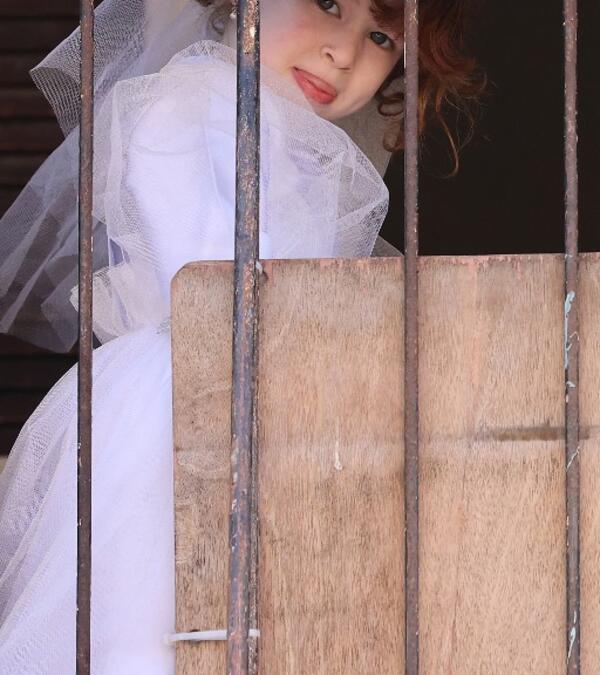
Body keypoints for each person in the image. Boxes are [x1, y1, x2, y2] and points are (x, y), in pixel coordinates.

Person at [0, 0, 480, 671]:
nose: (345, 54)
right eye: (329, 5)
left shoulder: (295, 140)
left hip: (271, 394)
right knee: (148, 625)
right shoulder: (189, 105)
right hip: (178, 404)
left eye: (380, 37)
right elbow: (214, 288)